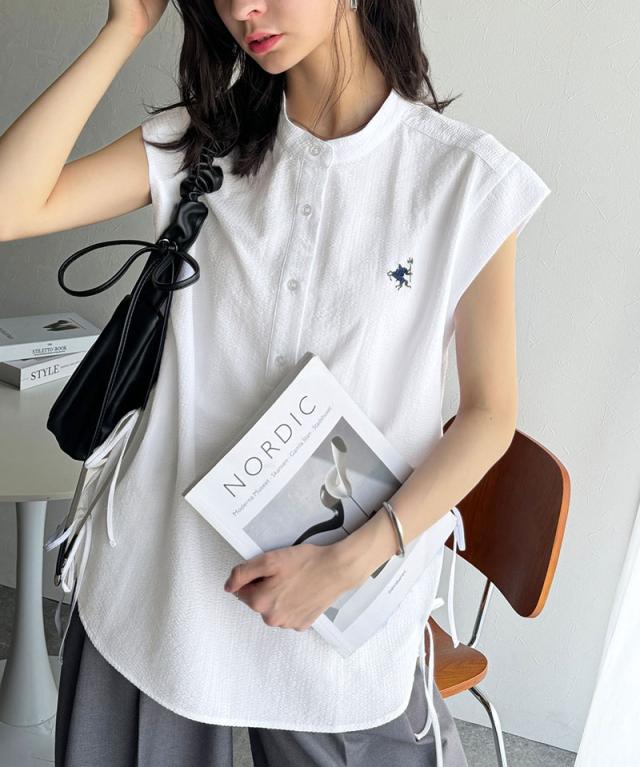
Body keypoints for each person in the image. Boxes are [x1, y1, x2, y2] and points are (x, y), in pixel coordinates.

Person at [0, 1, 551, 765]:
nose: (241, 9)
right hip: (161, 585)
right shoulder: (202, 143)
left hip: (338, 601)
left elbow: (489, 414)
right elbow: (10, 205)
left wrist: (350, 561)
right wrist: (125, 27)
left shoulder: (463, 180)